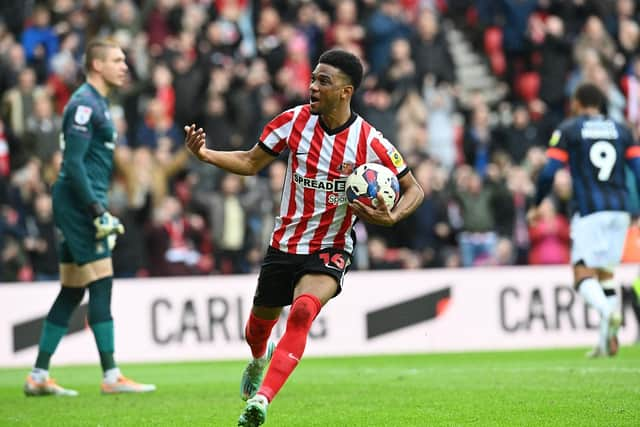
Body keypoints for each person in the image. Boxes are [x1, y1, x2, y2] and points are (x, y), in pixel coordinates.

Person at [184, 49, 424, 427]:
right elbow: (250, 162)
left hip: (330, 246)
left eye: (323, 81)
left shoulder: (370, 142)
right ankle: (259, 359)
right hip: (284, 243)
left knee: (302, 313)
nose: (312, 86)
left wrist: (393, 216)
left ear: (346, 92)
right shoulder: (293, 122)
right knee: (256, 330)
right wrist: (207, 155)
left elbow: (414, 189)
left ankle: (261, 402)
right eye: (312, 78)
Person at [24, 38, 155, 396]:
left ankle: (38, 375)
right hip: (80, 204)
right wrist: (97, 209)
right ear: (97, 65)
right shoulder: (84, 104)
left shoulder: (97, 103)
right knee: (102, 281)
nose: (125, 66)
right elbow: (73, 164)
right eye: (117, 59)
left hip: (80, 201)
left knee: (71, 289)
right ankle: (111, 375)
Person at [529, 82, 640, 358]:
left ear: (578, 102)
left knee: (581, 275)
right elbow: (638, 169)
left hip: (589, 210)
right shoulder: (623, 130)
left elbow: (548, 172)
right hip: (620, 209)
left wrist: (536, 202)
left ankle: (608, 312)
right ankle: (605, 343)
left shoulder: (569, 129)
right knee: (605, 274)